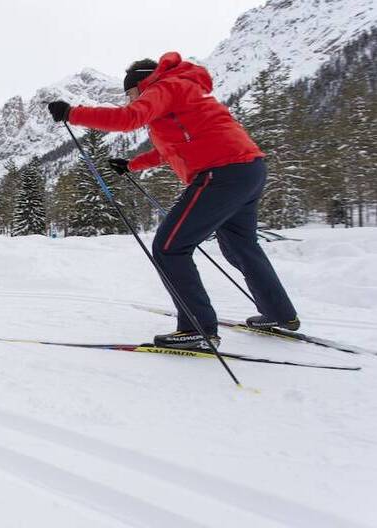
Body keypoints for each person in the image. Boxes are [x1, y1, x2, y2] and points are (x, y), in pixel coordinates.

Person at [48, 52, 299, 350]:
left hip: (220, 173)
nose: (130, 100)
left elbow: (128, 119)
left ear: (140, 84)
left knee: (169, 247)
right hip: (247, 170)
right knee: (241, 247)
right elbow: (168, 150)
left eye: (130, 93)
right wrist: (132, 165)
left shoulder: (163, 87)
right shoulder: (180, 90)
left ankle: (197, 329)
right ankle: (279, 314)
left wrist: (71, 113)